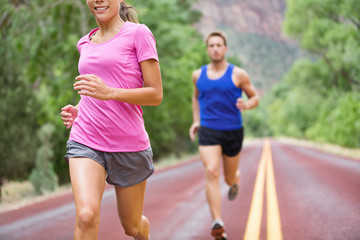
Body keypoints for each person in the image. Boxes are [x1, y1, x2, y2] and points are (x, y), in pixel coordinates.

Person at [60, 1, 162, 240]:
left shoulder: (138, 34)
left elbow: (155, 94)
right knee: (86, 216)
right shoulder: (85, 42)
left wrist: (110, 93)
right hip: (86, 139)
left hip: (129, 144)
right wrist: (78, 108)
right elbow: (92, 91)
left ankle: (143, 234)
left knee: (133, 227)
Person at [189, 31, 259, 240]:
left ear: (226, 49)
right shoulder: (198, 75)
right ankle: (217, 222)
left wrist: (246, 104)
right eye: (211, 45)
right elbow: (196, 98)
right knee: (211, 172)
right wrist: (196, 120)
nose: (215, 49)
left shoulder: (238, 74)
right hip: (209, 130)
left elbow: (254, 97)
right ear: (207, 49)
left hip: (232, 131)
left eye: (219, 45)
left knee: (228, 178)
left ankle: (234, 180)